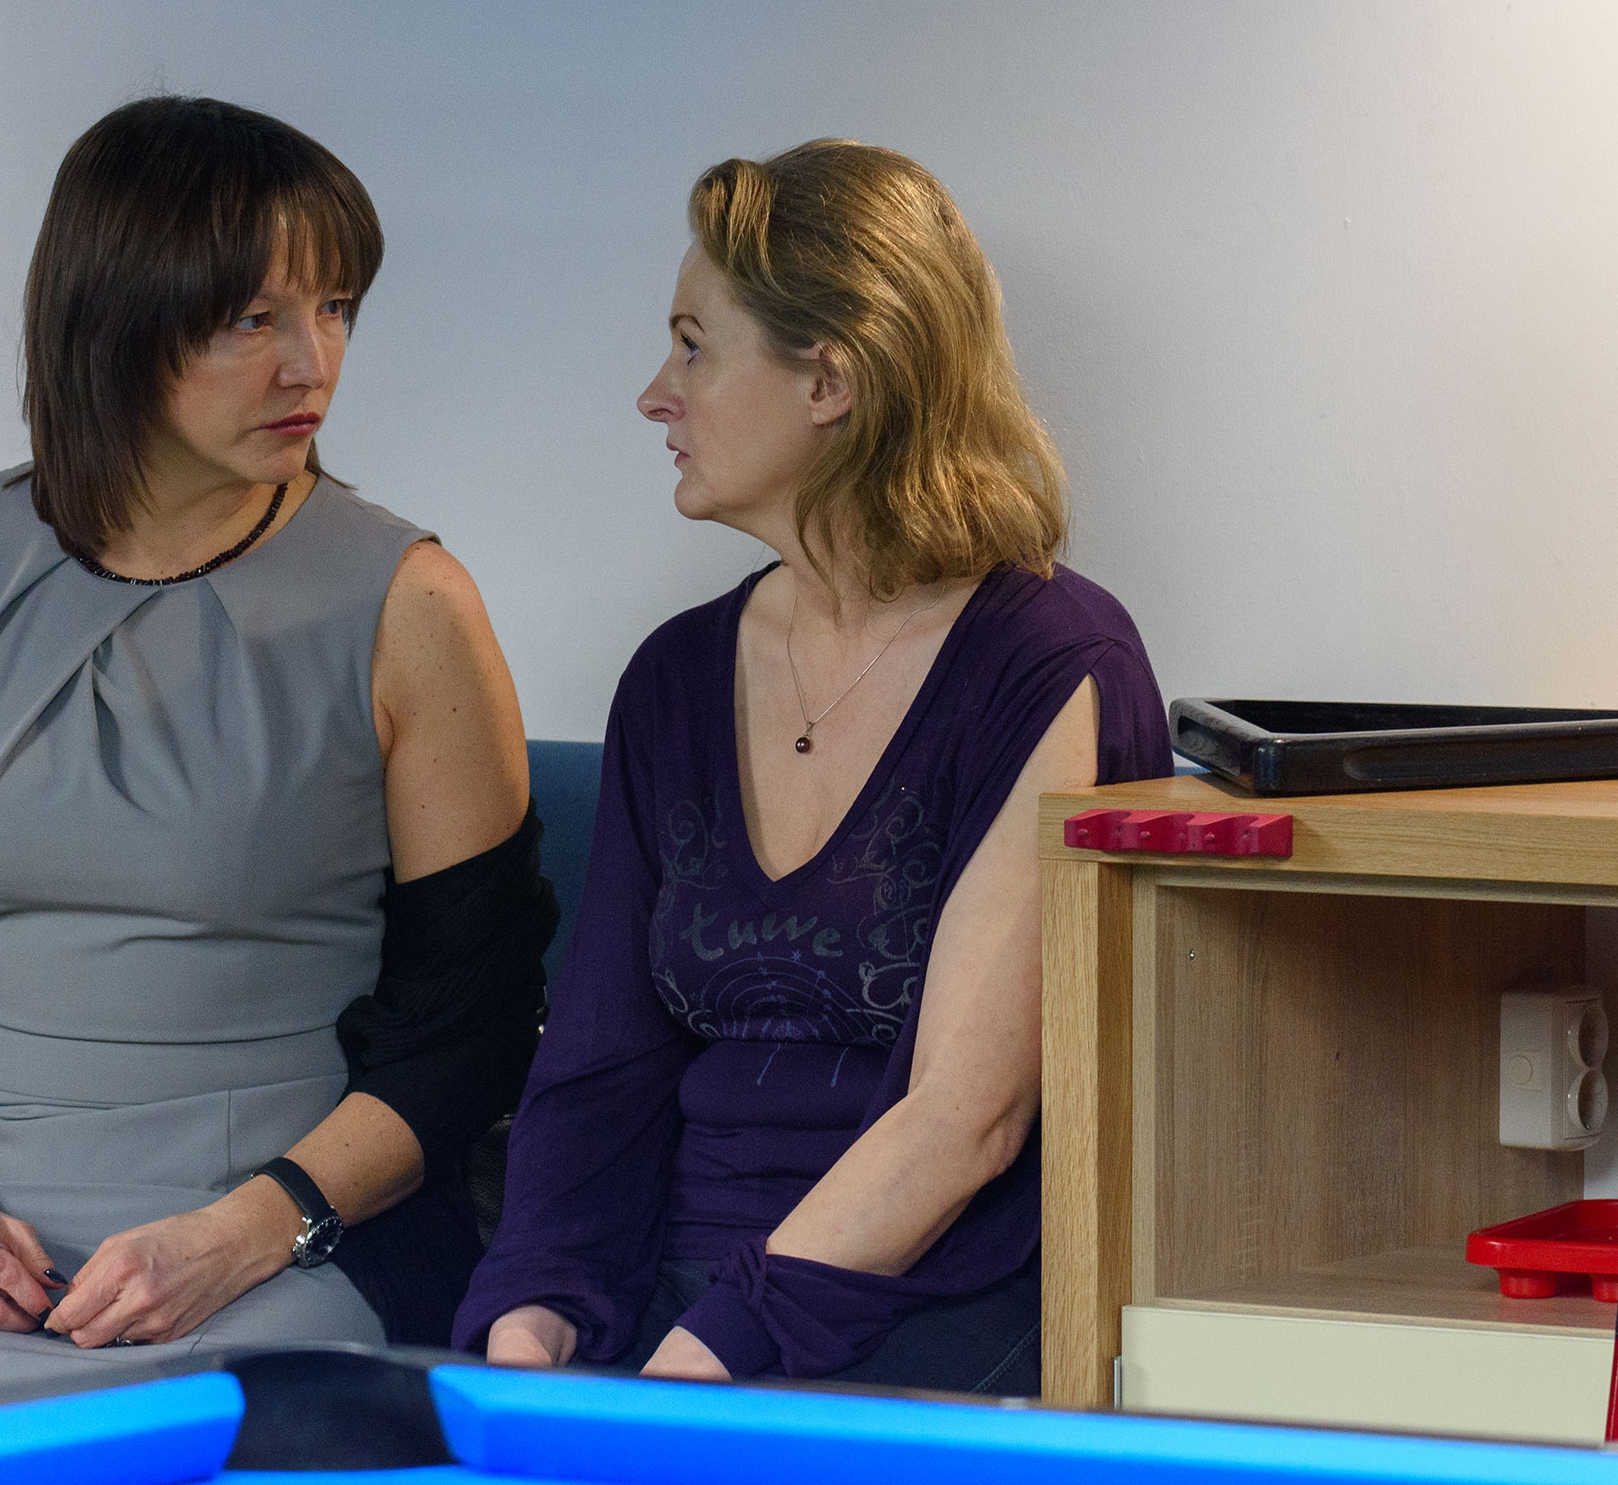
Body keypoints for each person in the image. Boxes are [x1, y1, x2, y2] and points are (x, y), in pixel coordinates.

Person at [0, 97, 552, 1412]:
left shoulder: (414, 603)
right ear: (118, 321)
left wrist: (246, 1232)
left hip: (289, 1251)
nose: (312, 365)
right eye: (255, 319)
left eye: (336, 309)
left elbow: (475, 1022)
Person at [452, 140, 1172, 1395]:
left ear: (830, 379)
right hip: (676, 1279)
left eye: (693, 348)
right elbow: (599, 1071)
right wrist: (534, 1311)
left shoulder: (1053, 661)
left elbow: (966, 1121)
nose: (655, 396)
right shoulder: (676, 675)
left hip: (927, 1286)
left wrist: (710, 1358)